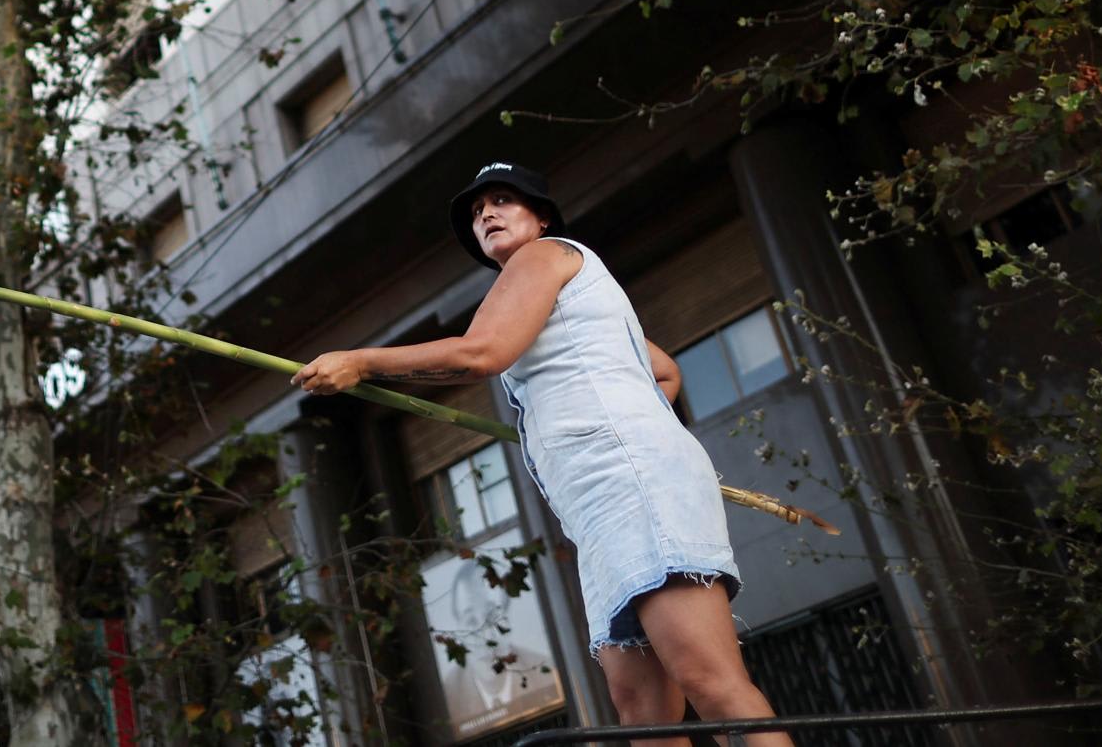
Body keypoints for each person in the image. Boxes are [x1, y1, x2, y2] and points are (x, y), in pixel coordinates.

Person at [294, 161, 790, 747]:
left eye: (503, 200)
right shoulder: (547, 286)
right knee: (642, 710)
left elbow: (483, 352)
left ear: (542, 216)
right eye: (478, 213)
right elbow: (664, 372)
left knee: (710, 681)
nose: (487, 215)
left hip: (630, 481)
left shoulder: (545, 254)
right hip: (602, 506)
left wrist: (363, 361)